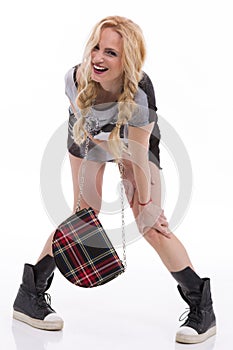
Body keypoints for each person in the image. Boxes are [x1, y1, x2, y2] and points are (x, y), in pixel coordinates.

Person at [13, 16, 216, 344]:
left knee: (152, 225)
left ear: (128, 61)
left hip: (134, 143)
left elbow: (136, 155)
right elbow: (90, 135)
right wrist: (111, 157)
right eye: (96, 48)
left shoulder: (140, 93)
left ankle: (202, 308)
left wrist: (146, 202)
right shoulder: (75, 79)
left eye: (111, 53)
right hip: (88, 138)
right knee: (82, 219)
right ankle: (29, 294)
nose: (98, 57)